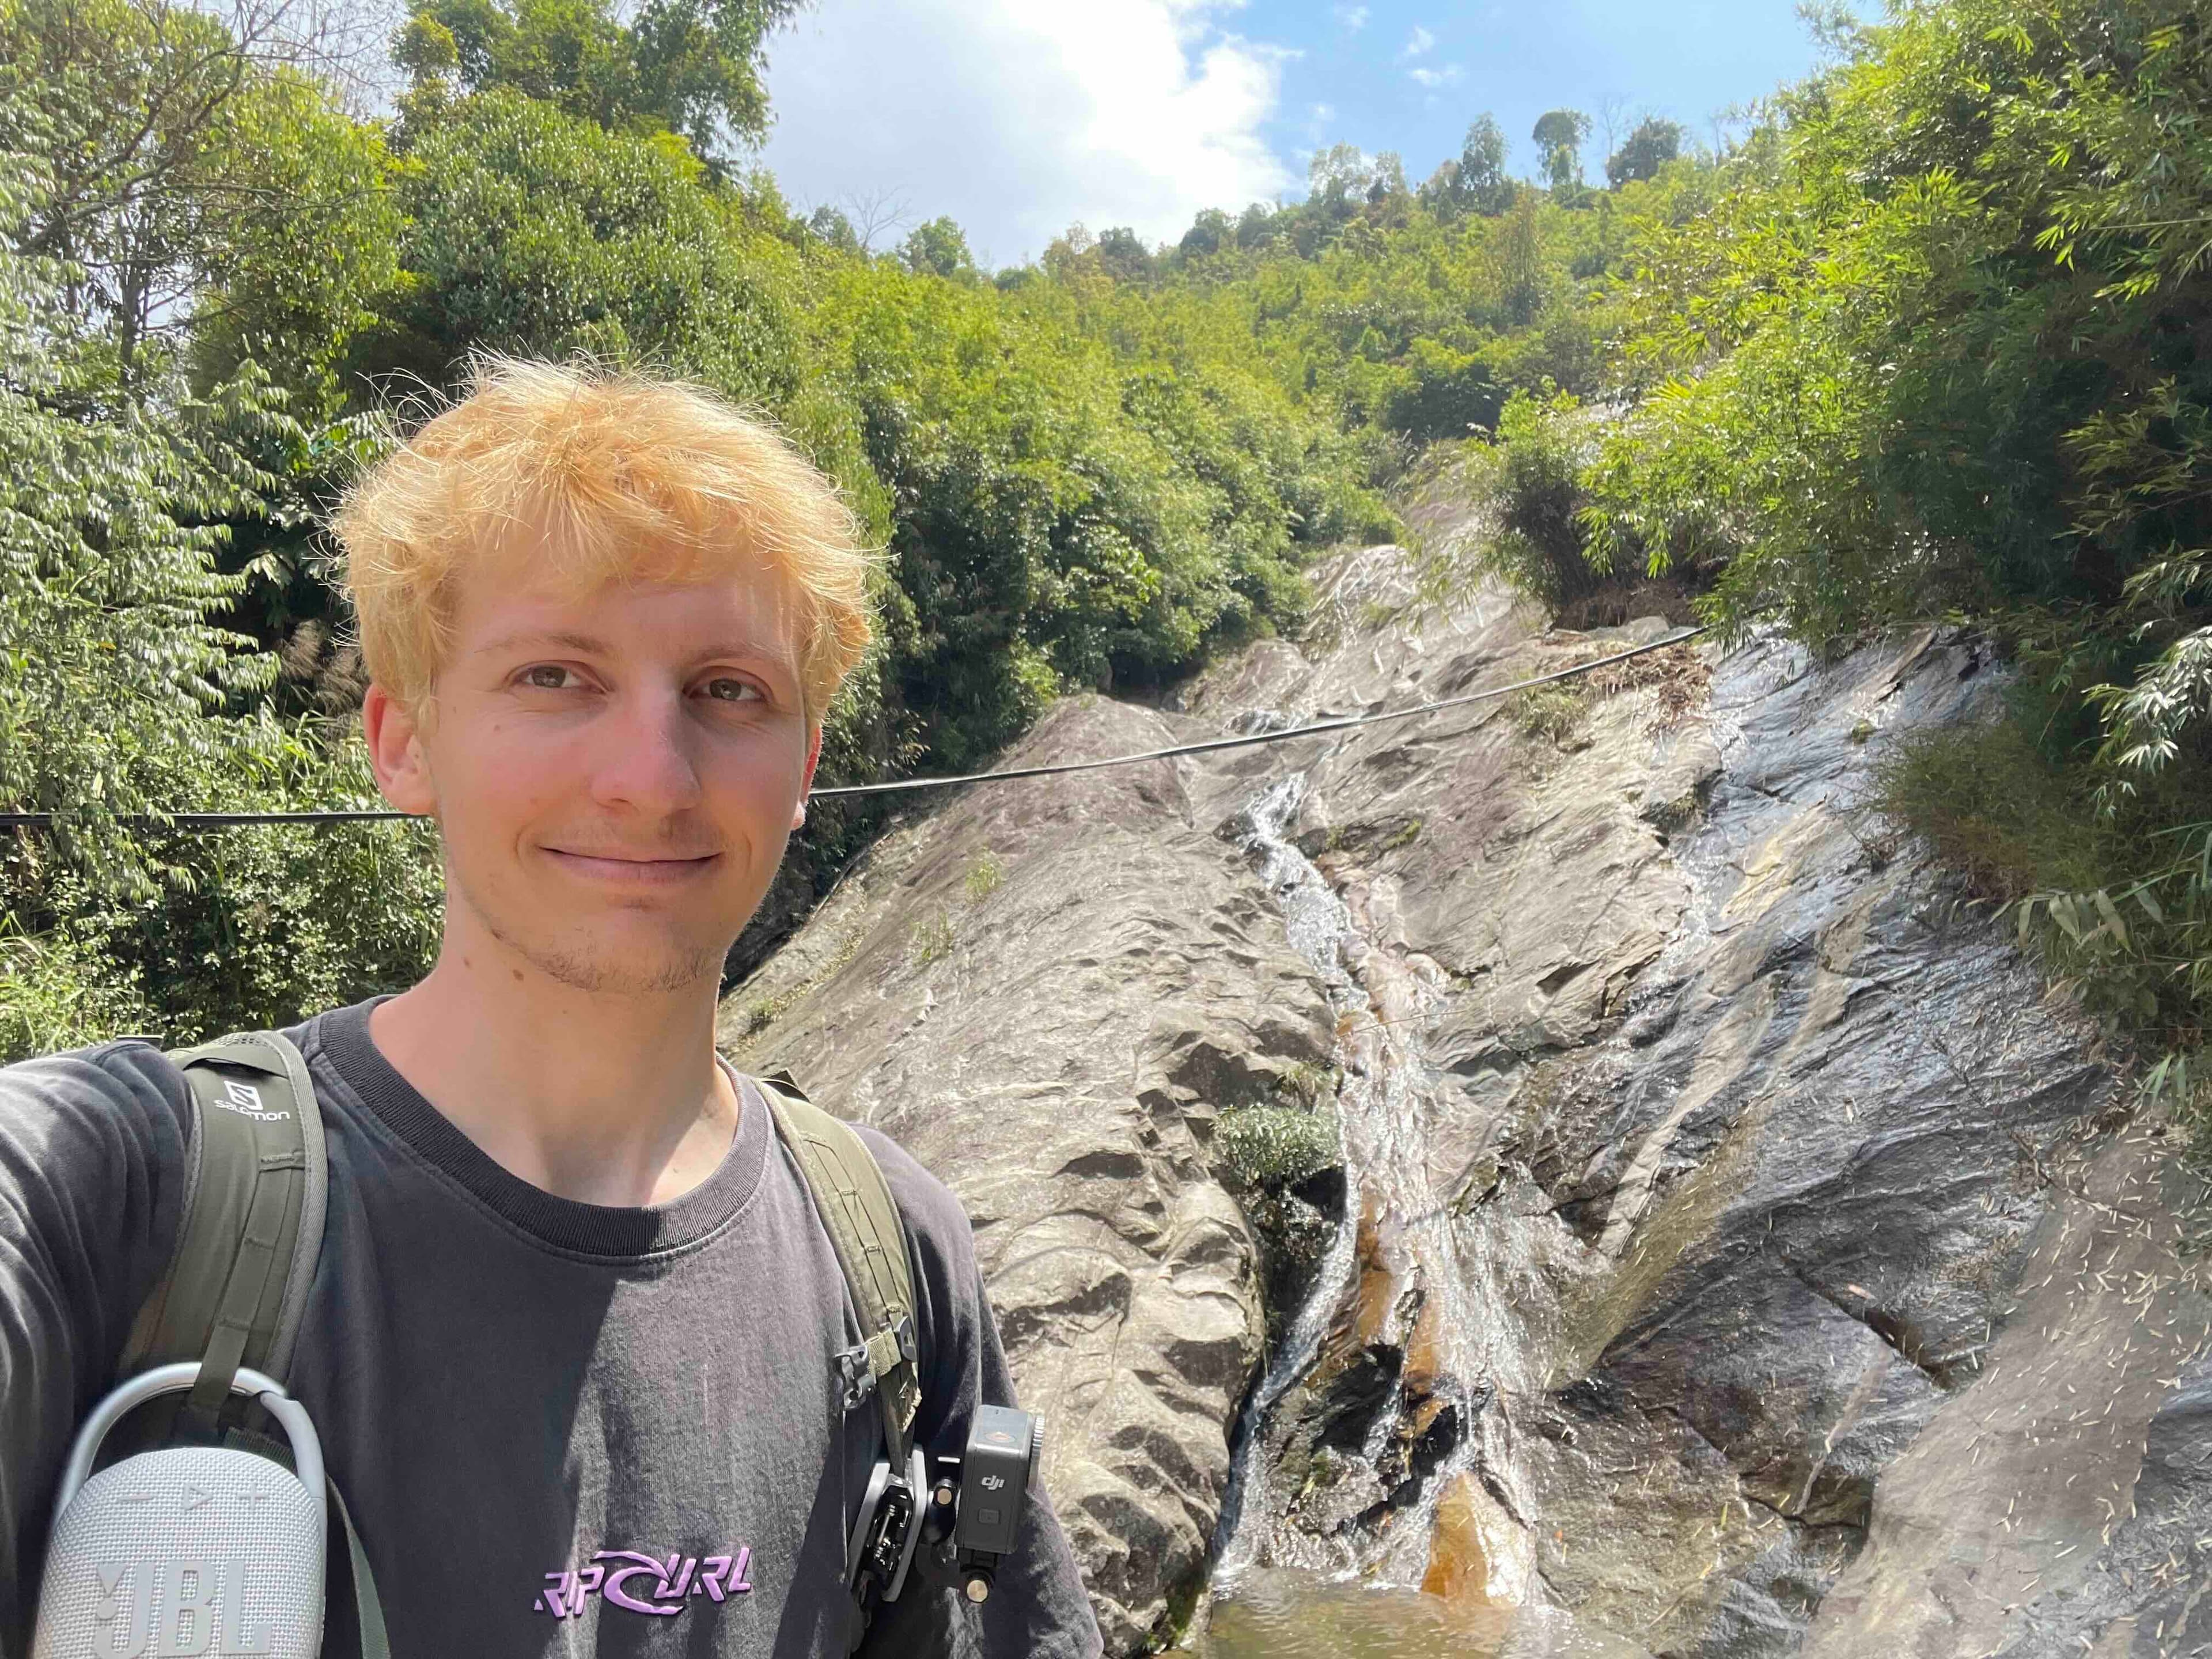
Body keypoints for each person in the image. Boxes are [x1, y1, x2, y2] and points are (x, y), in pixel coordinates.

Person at [0, 358, 1104, 1658]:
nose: (651, 777)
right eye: (555, 677)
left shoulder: (898, 1261)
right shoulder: (116, 1191)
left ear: (803, 766)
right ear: (403, 741)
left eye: (729, 691)